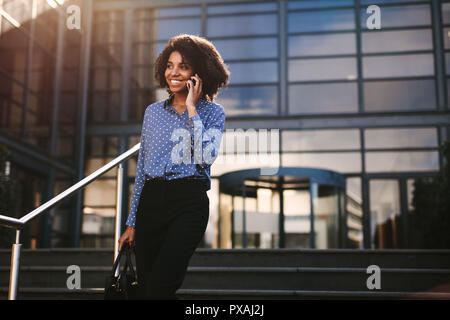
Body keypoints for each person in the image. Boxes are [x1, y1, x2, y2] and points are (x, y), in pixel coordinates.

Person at [118, 34, 230, 299]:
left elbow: (204, 157)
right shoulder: (153, 112)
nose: (174, 72)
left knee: (161, 286)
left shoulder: (214, 113)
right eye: (170, 65)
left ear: (199, 73)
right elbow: (144, 167)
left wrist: (192, 109)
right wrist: (131, 223)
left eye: (183, 66)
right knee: (146, 287)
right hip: (151, 202)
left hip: (188, 202)